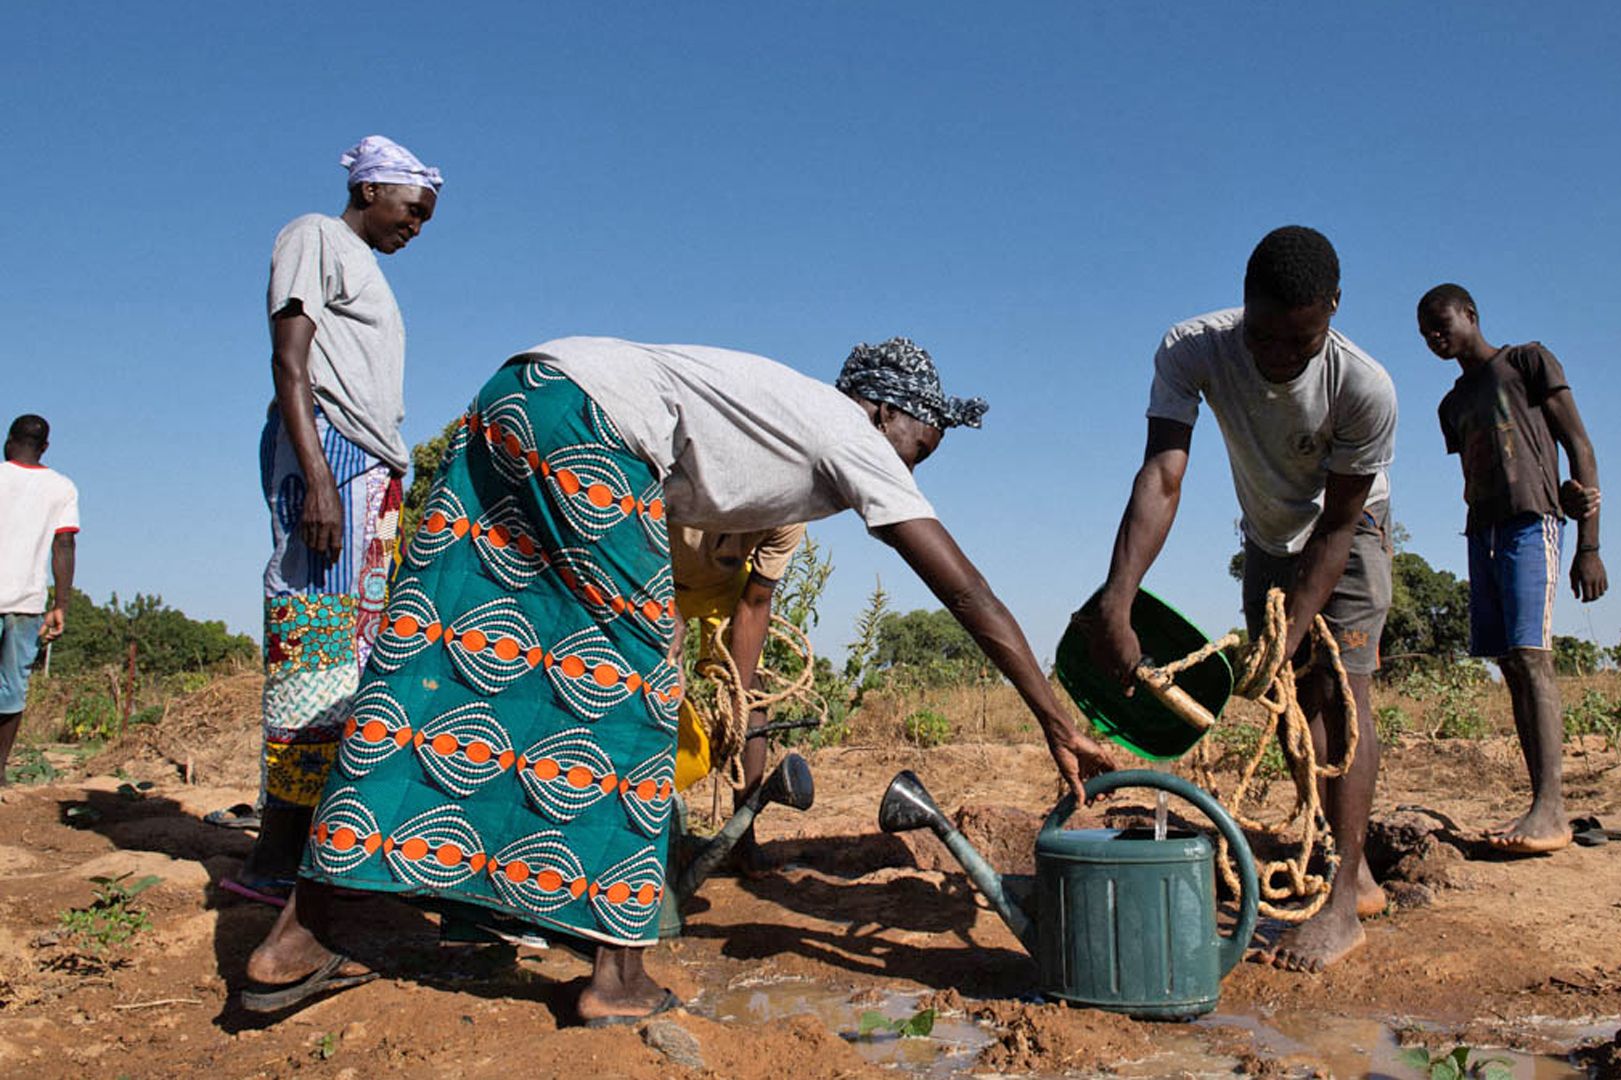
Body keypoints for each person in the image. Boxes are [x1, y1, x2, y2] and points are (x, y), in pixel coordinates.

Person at [241, 336, 1120, 1021]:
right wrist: (1052, 716)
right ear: (886, 411)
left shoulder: (787, 412)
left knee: (445, 654)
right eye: (918, 446)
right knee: (626, 692)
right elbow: (963, 587)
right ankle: (617, 974)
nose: (911, 467)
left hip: (515, 394)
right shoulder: (851, 432)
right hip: (591, 427)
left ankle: (302, 935)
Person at [1087, 226, 1396, 972]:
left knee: (1341, 696)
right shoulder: (1193, 348)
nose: (1280, 357)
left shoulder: (1363, 387)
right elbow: (1163, 474)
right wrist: (1118, 598)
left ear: (1333, 310)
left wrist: (1290, 631)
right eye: (1264, 337)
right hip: (1267, 535)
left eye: (1302, 340)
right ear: (1244, 303)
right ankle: (1332, 852)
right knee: (1291, 700)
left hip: (1345, 533)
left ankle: (1346, 896)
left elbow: (1339, 526)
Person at [232, 136, 442, 905]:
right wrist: (317, 477)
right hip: (330, 457)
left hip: (366, 468)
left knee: (351, 657)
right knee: (314, 643)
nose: (415, 226)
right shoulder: (314, 235)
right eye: (412, 211)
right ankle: (275, 859)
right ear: (372, 191)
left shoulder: (368, 270)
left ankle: (319, 846)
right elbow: (290, 360)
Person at [1416, 283, 1606, 853]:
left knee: (1532, 656)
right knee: (1510, 664)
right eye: (1423, 331)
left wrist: (1589, 546)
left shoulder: (1526, 362)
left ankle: (1552, 809)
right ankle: (1540, 802)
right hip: (1484, 533)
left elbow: (1580, 447)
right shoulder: (1451, 406)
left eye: (1441, 322)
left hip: (1533, 522)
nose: (1433, 335)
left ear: (1471, 315)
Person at [668, 521, 808, 870]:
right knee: (650, 688)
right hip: (655, 573)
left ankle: (742, 840)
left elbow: (756, 600)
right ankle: (643, 829)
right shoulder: (681, 472)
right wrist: (668, 622)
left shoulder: (791, 510)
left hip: (728, 587)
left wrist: (739, 698)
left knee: (752, 699)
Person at [0, 416, 79, 781]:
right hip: (27, 602)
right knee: (12, 690)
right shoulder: (61, 488)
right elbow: (63, 545)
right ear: (45, 446)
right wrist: (60, 604)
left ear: (8, 441)